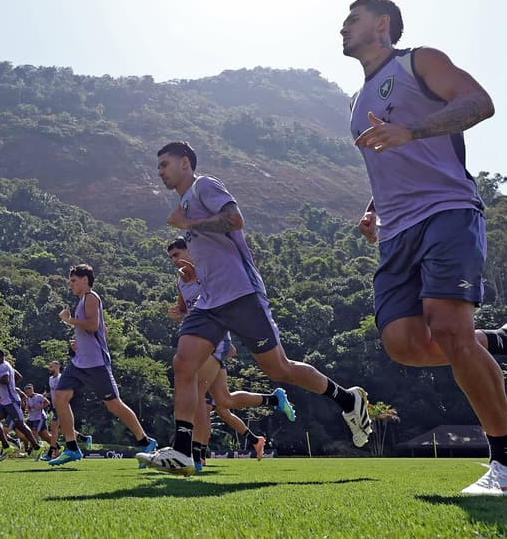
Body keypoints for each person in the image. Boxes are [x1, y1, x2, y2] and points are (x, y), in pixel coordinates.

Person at [340, 0, 507, 495]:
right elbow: (388, 160)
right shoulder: (354, 101)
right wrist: (375, 208)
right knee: (405, 345)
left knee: (448, 326)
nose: (343, 26)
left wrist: (414, 129)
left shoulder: (419, 61)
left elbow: (478, 103)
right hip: (395, 232)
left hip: (447, 211)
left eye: (353, 18)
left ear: (382, 25)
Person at [138, 143, 372, 476]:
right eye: (158, 166)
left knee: (279, 369)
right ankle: (182, 450)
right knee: (183, 363)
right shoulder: (185, 203)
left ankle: (348, 400)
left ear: (185, 163)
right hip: (210, 301)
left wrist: (189, 223)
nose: (159, 171)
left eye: (164, 164)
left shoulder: (204, 186)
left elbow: (234, 219)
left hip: (240, 293)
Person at [164, 236, 295, 468]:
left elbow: (222, 300)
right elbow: (186, 307)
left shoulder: (207, 272)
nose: (174, 260)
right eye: (171, 257)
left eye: (177, 254)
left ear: (190, 251)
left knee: (201, 398)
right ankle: (273, 399)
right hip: (200, 342)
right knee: (223, 401)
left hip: (215, 339)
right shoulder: (181, 281)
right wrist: (179, 312)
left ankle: (194, 456)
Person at [49, 264, 157, 467]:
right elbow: (102, 331)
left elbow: (93, 325)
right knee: (60, 398)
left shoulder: (91, 297)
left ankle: (146, 442)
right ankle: (72, 448)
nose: (70, 285)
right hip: (79, 362)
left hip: (96, 364)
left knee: (114, 405)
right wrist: (79, 344)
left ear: (84, 280)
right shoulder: (82, 300)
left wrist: (68, 320)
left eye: (73, 281)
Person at [0, 350, 42, 458]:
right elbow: (19, 377)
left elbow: (6, 380)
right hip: (4, 401)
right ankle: (6, 447)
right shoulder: (7, 365)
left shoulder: (3, 367)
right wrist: (12, 387)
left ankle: (36, 447)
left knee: (20, 425)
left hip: (11, 401)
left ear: (0, 356)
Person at [24, 384, 58, 461]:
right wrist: (28, 409)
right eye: (26, 392)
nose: (27, 394)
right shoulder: (27, 399)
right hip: (31, 418)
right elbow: (27, 407)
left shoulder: (38, 396)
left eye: (29, 392)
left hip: (39, 418)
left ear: (32, 390)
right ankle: (57, 448)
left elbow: (47, 402)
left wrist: (40, 407)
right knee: (46, 436)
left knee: (34, 433)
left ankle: (38, 450)